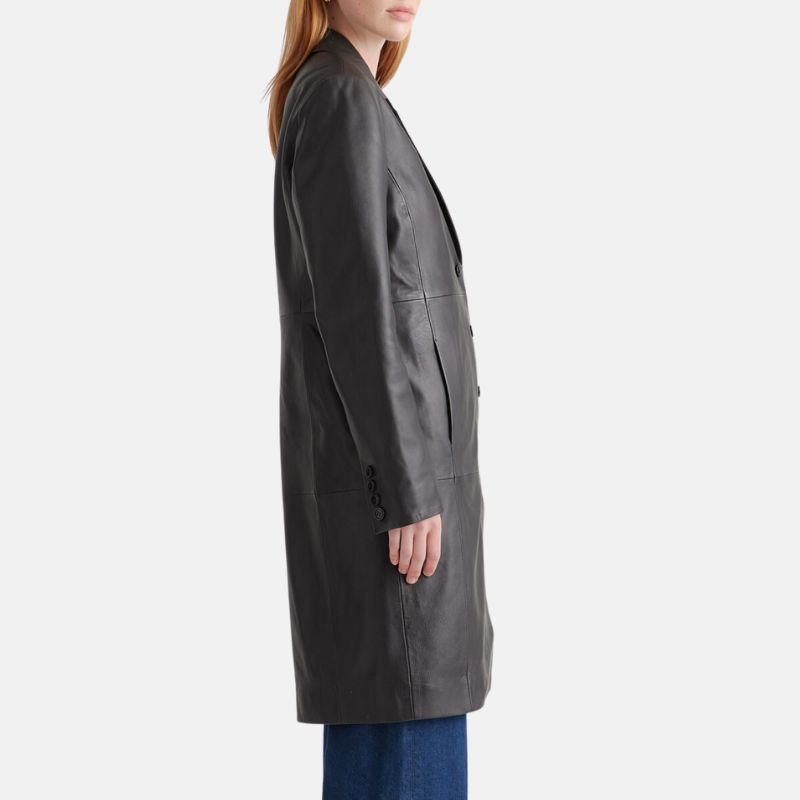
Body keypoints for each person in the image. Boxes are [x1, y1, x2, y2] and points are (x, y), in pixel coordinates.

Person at [267, 2, 493, 797]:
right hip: (401, 524)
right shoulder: (338, 97)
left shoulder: (347, 93)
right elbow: (357, 311)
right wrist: (405, 489)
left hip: (401, 514)